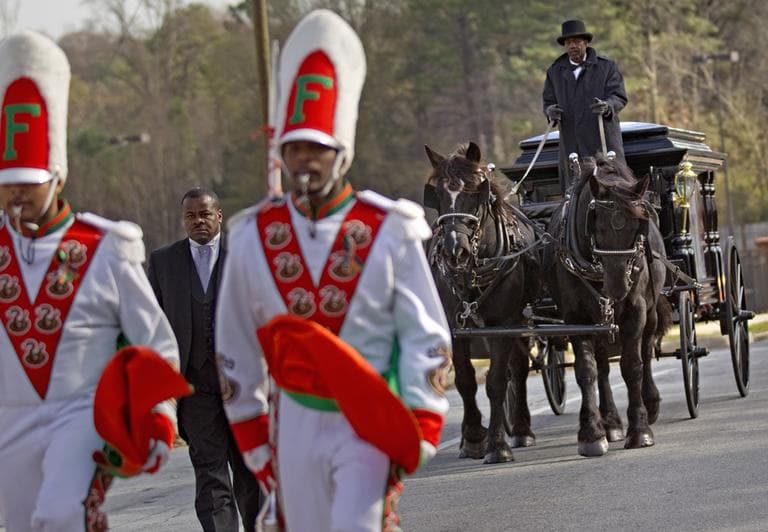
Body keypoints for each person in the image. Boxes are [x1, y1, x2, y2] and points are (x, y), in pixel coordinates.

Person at [215, 9, 452, 532]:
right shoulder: (252, 235)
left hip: (368, 415)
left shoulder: (389, 228)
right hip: (291, 424)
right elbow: (234, 343)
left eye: (317, 149)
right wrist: (253, 439)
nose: (305, 160)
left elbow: (426, 335)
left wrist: (417, 421)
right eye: (295, 147)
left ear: (340, 152)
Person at [0, 30, 181, 531]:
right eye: (6, 182)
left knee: (62, 514)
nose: (16, 195)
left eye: (28, 183)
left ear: (56, 177)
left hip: (80, 415)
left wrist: (159, 412)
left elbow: (154, 341)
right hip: (7, 418)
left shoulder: (107, 246)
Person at [147, 187, 262, 532]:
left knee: (248, 471)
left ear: (219, 216)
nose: (198, 221)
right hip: (194, 386)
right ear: (184, 219)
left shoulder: (245, 255)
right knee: (210, 473)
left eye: (205, 214)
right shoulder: (163, 261)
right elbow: (154, 325)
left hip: (243, 385)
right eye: (191, 216)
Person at [543, 19, 628, 188]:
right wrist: (550, 111)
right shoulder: (554, 72)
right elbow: (548, 102)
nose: (572, 46)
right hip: (572, 146)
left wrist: (607, 106)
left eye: (577, 42)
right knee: (575, 195)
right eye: (568, 43)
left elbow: (619, 96)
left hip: (604, 144)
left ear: (586, 43)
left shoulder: (607, 67)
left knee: (613, 191)